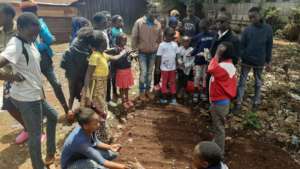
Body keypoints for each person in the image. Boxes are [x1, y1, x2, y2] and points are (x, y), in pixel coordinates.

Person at [0, 12, 58, 169]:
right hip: (26, 98)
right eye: (32, 33)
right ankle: (38, 166)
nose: (35, 37)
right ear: (20, 28)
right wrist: (10, 77)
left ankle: (51, 152)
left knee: (53, 116)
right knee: (35, 135)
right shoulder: (16, 43)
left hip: (34, 94)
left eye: (36, 33)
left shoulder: (30, 41)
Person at [20, 0, 70, 115]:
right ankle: (50, 112)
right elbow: (49, 40)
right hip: (32, 61)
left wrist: (40, 45)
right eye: (33, 11)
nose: (35, 13)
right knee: (42, 87)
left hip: (43, 59)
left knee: (53, 85)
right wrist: (42, 45)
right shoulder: (25, 26)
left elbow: (49, 40)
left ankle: (65, 109)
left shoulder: (36, 23)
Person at [82, 30, 128, 142]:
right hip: (95, 88)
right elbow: (88, 75)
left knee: (100, 110)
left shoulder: (102, 54)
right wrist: (87, 94)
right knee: (99, 111)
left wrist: (122, 52)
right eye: (104, 43)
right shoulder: (95, 56)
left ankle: (99, 136)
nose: (106, 44)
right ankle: (100, 137)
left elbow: (115, 58)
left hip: (102, 87)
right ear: (99, 45)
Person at [61, 107, 134, 169]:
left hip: (82, 155)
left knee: (113, 154)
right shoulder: (79, 141)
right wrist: (123, 167)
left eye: (98, 122)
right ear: (85, 125)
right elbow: (101, 161)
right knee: (95, 166)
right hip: (70, 165)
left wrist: (110, 147)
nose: (99, 125)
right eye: (95, 123)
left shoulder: (88, 129)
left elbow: (96, 142)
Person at [0, 3, 31, 144]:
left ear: (8, 15)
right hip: (9, 76)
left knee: (30, 105)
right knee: (9, 105)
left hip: (25, 76)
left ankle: (38, 130)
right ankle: (28, 128)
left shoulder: (20, 31)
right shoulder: (0, 33)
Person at [234, 7, 273, 113]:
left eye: (253, 17)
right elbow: (241, 45)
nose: (251, 19)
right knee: (242, 81)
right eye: (250, 17)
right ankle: (238, 102)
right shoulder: (247, 29)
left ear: (260, 15)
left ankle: (256, 101)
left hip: (260, 61)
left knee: (258, 82)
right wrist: (242, 56)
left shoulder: (268, 29)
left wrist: (268, 61)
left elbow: (269, 46)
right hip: (246, 60)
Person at [207, 42, 237, 155]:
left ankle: (219, 154)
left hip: (219, 103)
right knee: (219, 126)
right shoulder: (229, 65)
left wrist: (217, 54)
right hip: (223, 102)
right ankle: (216, 145)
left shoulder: (224, 67)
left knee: (219, 128)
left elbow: (211, 69)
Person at [132, 2, 162, 101]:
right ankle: (141, 92)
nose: (154, 13)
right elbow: (134, 38)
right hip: (142, 53)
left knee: (149, 73)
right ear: (148, 10)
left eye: (156, 11)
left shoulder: (158, 24)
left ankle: (147, 91)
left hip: (153, 53)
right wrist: (134, 51)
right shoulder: (139, 22)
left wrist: (156, 47)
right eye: (152, 11)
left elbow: (159, 39)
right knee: (143, 72)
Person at [61, 27, 94, 116]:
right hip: (80, 76)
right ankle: (79, 112)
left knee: (72, 93)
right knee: (81, 93)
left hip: (72, 76)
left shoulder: (71, 49)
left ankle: (70, 111)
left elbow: (63, 64)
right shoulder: (87, 50)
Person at [93, 12, 118, 107]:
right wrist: (112, 50)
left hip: (106, 61)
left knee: (108, 81)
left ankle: (107, 100)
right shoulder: (96, 34)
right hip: (99, 63)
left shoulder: (104, 32)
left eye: (106, 21)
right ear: (96, 23)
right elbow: (99, 51)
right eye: (104, 22)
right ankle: (99, 103)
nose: (106, 23)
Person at [192, 19, 215, 103]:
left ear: (208, 27)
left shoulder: (213, 35)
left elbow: (214, 47)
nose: (203, 29)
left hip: (207, 60)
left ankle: (203, 92)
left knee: (205, 77)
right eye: (201, 28)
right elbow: (196, 47)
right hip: (198, 60)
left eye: (204, 28)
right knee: (197, 76)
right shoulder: (199, 36)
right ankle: (195, 91)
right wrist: (192, 53)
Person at [157, 28, 179, 104]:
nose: (171, 37)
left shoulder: (175, 44)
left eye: (172, 36)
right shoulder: (161, 45)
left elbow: (176, 55)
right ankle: (164, 97)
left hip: (173, 68)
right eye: (169, 36)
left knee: (172, 82)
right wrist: (157, 67)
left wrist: (177, 65)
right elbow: (159, 57)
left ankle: (173, 98)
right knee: (164, 82)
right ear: (165, 35)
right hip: (164, 68)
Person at [114, 34, 135, 109]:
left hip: (127, 70)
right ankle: (123, 101)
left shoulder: (127, 48)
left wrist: (132, 56)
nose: (125, 42)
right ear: (118, 40)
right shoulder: (117, 49)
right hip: (121, 71)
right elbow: (117, 60)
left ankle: (127, 99)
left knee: (127, 87)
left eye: (126, 40)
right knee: (122, 88)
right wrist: (124, 53)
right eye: (123, 40)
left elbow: (129, 59)